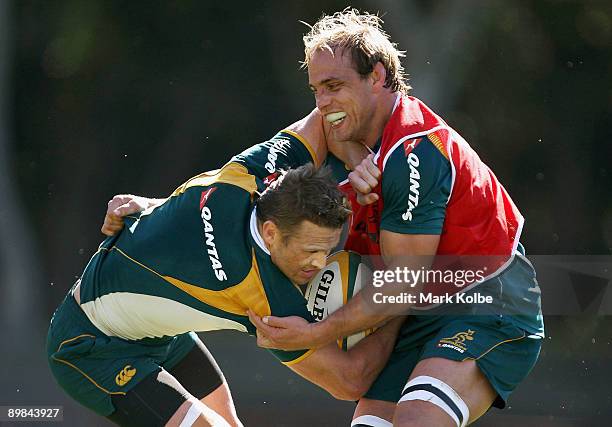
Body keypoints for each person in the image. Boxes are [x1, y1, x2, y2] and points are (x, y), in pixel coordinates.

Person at [250, 9, 544, 427]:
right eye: (316, 89)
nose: (323, 103)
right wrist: (156, 206)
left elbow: (402, 284)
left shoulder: (414, 153)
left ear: (377, 76)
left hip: (489, 301)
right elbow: (253, 167)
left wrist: (318, 332)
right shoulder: (348, 132)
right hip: (417, 313)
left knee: (417, 419)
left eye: (334, 86)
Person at [47, 115, 405, 426]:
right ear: (270, 232)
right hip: (88, 347)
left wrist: (362, 164)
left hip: (156, 334)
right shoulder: (261, 296)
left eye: (326, 250)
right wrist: (397, 310)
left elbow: (326, 117)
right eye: (310, 250)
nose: (318, 263)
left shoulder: (250, 172)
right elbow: (349, 382)